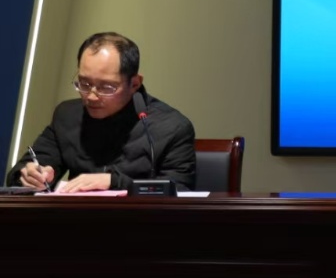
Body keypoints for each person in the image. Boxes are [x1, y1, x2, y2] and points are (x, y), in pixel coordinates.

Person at [6, 32, 197, 192]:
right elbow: (22, 171)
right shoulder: (67, 115)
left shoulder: (172, 128)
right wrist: (30, 175)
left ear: (134, 84)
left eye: (107, 87)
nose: (91, 96)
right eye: (84, 83)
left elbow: (180, 192)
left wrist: (114, 182)